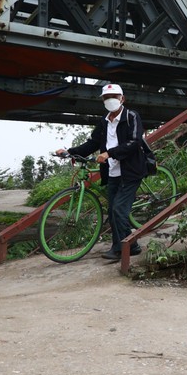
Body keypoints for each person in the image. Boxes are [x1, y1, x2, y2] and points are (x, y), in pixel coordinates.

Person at [56, 83, 149, 260]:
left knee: (119, 210)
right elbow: (92, 143)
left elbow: (134, 142)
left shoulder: (131, 116)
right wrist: (69, 151)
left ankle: (120, 249)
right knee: (113, 211)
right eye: (106, 97)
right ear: (103, 101)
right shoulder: (104, 122)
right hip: (112, 173)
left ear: (123, 99)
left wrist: (109, 153)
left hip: (131, 171)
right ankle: (131, 246)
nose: (110, 100)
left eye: (114, 96)